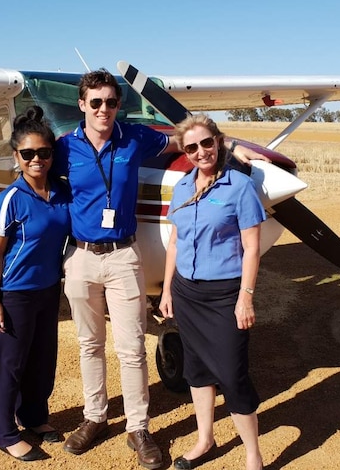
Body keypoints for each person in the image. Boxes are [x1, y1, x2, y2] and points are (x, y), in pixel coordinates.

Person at [54, 69, 264, 469]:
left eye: (111, 102)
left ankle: (138, 428)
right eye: (95, 102)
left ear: (119, 106)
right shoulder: (63, 148)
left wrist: (234, 148)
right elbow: (35, 173)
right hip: (80, 256)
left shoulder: (134, 136)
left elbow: (185, 142)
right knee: (89, 344)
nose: (103, 109)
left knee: (131, 348)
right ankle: (95, 416)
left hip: (124, 254)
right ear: (82, 105)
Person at [159, 114, 266, 470]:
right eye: (192, 147)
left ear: (218, 142)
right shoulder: (182, 187)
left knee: (233, 374)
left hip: (224, 295)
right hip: (186, 293)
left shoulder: (239, 187)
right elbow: (175, 242)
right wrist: (167, 290)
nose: (201, 151)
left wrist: (245, 297)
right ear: (185, 152)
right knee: (197, 369)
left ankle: (253, 454)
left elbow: (252, 248)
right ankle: (205, 439)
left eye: (207, 143)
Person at [0, 105, 72, 462]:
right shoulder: (9, 200)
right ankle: (3, 431)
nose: (37, 159)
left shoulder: (62, 194)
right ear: (17, 156)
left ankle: (34, 417)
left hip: (49, 290)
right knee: (10, 364)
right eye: (28, 154)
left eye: (45, 152)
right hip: (15, 293)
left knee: (42, 360)